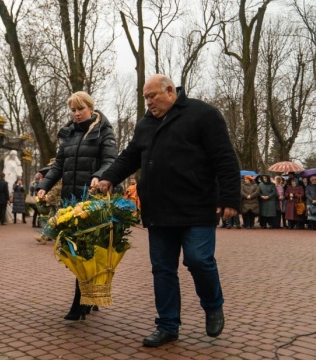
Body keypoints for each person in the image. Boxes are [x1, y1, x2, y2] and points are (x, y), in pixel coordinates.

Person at [98, 74, 240, 347]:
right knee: (162, 269)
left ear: (170, 91)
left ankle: (212, 305)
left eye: (152, 96)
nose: (148, 102)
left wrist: (230, 198)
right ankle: (167, 325)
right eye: (145, 98)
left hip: (196, 207)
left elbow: (224, 157)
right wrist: (109, 177)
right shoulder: (145, 124)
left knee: (199, 260)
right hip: (159, 210)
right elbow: (129, 156)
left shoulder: (203, 114)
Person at [36, 91, 117, 321]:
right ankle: (89, 297)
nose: (76, 114)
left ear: (91, 108)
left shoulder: (104, 132)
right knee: (75, 251)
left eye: (80, 109)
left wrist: (99, 176)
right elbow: (59, 165)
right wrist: (44, 185)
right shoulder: (69, 134)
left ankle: (80, 302)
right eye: (73, 110)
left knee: (85, 251)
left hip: (93, 200)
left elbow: (110, 160)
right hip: (70, 201)